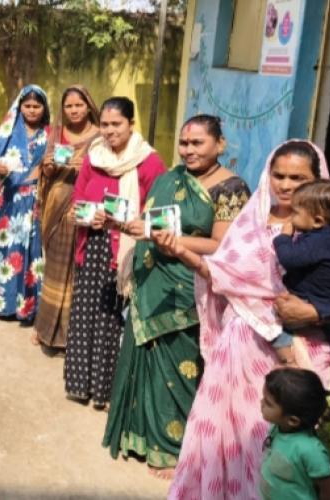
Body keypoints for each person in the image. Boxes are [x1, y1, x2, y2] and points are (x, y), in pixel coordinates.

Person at [166, 140, 330, 498]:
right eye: (279, 176)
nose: (286, 185)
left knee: (271, 448)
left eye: (298, 178)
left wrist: (317, 312)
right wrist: (180, 251)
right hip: (237, 353)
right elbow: (221, 275)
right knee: (221, 438)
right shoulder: (250, 223)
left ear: (318, 179)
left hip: (295, 358)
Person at [102, 115, 251, 477]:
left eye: (198, 143)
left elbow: (221, 245)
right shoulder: (171, 178)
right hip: (151, 279)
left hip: (191, 286)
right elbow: (149, 222)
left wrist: (172, 241)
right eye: (184, 143)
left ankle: (175, 447)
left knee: (180, 365)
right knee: (148, 359)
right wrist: (128, 227)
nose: (188, 150)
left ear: (220, 144)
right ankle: (141, 437)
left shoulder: (231, 188)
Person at [64, 97, 166, 409]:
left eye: (116, 124)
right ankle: (80, 384)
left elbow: (157, 212)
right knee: (85, 314)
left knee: (113, 318)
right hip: (92, 246)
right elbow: (77, 201)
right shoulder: (94, 157)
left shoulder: (148, 162)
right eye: (105, 125)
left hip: (125, 251)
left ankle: (107, 391)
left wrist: (127, 223)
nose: (109, 131)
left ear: (131, 124)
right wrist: (85, 215)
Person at [271, 179, 330, 396]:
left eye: (295, 213)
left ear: (318, 221)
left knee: (273, 325)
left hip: (307, 300)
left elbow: (289, 258)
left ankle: (289, 361)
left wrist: (283, 237)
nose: (291, 217)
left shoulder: (315, 242)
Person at [32, 85, 100, 351]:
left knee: (77, 271)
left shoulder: (100, 137)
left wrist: (85, 168)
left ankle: (72, 333)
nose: (74, 110)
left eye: (79, 105)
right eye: (69, 106)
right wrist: (48, 167)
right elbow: (46, 171)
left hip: (84, 209)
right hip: (56, 208)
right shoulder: (56, 133)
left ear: (89, 106)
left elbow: (107, 171)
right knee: (55, 267)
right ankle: (45, 329)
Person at [0, 84, 50, 322]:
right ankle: (3, 305)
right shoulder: (7, 132)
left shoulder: (49, 135)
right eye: (27, 106)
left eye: (37, 106)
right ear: (19, 107)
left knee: (31, 251)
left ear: (44, 108)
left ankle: (28, 307)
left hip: (34, 201)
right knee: (7, 250)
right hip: (9, 201)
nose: (32, 110)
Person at [259, 368, 330, 500]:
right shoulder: (277, 428)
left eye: (268, 403)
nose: (261, 402)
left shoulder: (310, 450)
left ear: (292, 420)